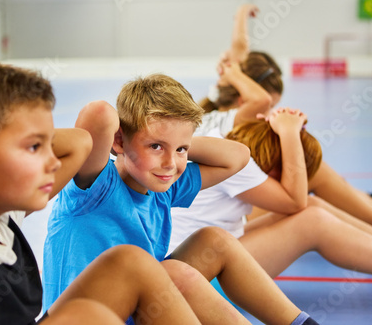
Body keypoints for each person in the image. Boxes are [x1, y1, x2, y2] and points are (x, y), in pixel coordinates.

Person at [0, 54, 205, 325]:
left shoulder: (6, 220)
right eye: (34, 147)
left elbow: (80, 143)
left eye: (48, 143)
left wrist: (26, 135)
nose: (52, 161)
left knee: (127, 266)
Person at [43, 73, 320, 325]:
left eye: (181, 150)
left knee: (214, 240)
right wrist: (142, 137)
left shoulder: (165, 185)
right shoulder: (96, 185)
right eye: (155, 146)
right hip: (83, 318)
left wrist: (174, 141)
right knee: (173, 272)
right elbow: (98, 113)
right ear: (118, 141)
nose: (169, 163)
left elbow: (238, 156)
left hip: (136, 308)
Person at [197, 3, 372, 236]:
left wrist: (241, 16)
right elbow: (259, 97)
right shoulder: (235, 118)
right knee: (312, 171)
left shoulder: (213, 109)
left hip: (230, 205)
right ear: (244, 98)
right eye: (272, 105)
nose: (270, 110)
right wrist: (233, 72)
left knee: (314, 173)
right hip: (230, 216)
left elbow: (239, 48)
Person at [170, 108, 372, 287]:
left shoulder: (225, 142)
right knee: (313, 222)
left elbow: (300, 202)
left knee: (312, 205)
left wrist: (278, 128)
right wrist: (289, 133)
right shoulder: (241, 163)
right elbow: (294, 201)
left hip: (197, 260)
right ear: (276, 168)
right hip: (203, 279)